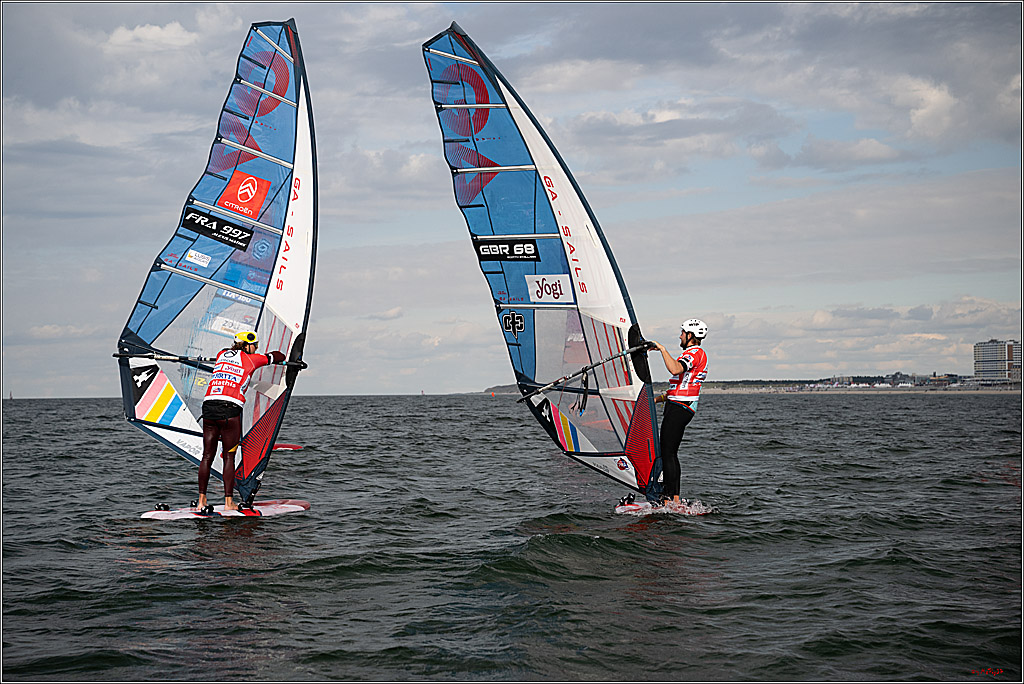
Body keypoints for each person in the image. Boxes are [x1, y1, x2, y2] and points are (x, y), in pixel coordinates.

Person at [197, 330, 286, 513]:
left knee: (207, 455)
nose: (256, 349)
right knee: (229, 456)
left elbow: (229, 354)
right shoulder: (252, 359)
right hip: (229, 409)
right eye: (255, 346)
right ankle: (229, 502)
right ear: (247, 345)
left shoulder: (221, 354)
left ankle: (201, 500)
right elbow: (278, 356)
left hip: (209, 407)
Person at [649, 318, 708, 506]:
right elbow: (679, 388)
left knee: (668, 453)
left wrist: (662, 349)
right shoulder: (695, 353)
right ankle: (672, 497)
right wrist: (653, 401)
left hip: (681, 408)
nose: (680, 336)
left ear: (690, 336)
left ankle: (671, 499)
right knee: (669, 452)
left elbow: (675, 368)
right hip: (679, 405)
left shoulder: (695, 353)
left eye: (682, 333)